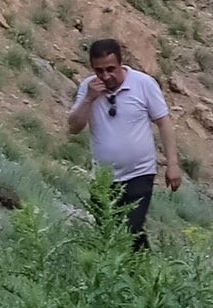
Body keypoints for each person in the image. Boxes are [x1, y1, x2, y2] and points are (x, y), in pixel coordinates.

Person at [68, 38, 182, 250]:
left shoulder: (143, 84)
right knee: (109, 233)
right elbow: (74, 128)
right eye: (99, 70)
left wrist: (172, 164)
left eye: (111, 69)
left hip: (140, 173)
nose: (105, 76)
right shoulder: (88, 88)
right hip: (103, 179)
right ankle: (144, 273)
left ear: (121, 63)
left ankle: (140, 274)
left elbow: (164, 122)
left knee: (129, 229)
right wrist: (89, 99)